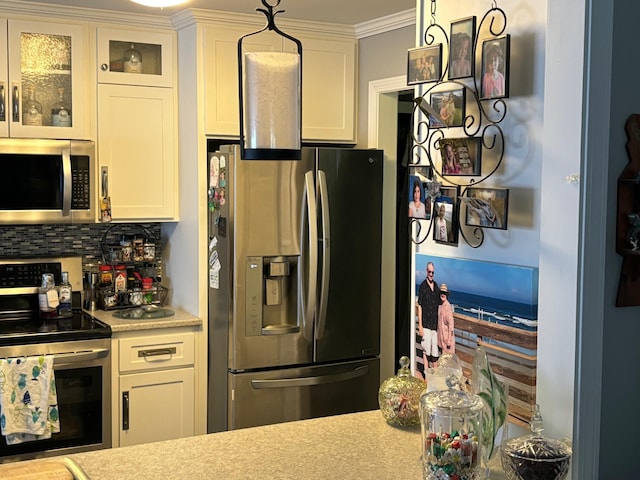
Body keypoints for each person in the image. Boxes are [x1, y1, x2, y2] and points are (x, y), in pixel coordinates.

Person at [417, 262, 440, 368]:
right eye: (429, 272)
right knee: (426, 350)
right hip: (425, 323)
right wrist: (420, 325)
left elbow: (441, 301)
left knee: (435, 352)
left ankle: (434, 375)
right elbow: (420, 306)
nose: (431, 274)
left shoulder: (436, 286)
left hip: (434, 325)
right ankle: (426, 374)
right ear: (426, 271)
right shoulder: (422, 286)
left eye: (433, 272)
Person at [437, 283, 455, 355]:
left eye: (444, 293)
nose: (443, 294)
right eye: (441, 293)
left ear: (447, 295)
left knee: (448, 362)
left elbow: (451, 325)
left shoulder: (447, 307)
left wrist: (449, 340)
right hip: (441, 340)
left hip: (447, 340)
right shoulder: (440, 305)